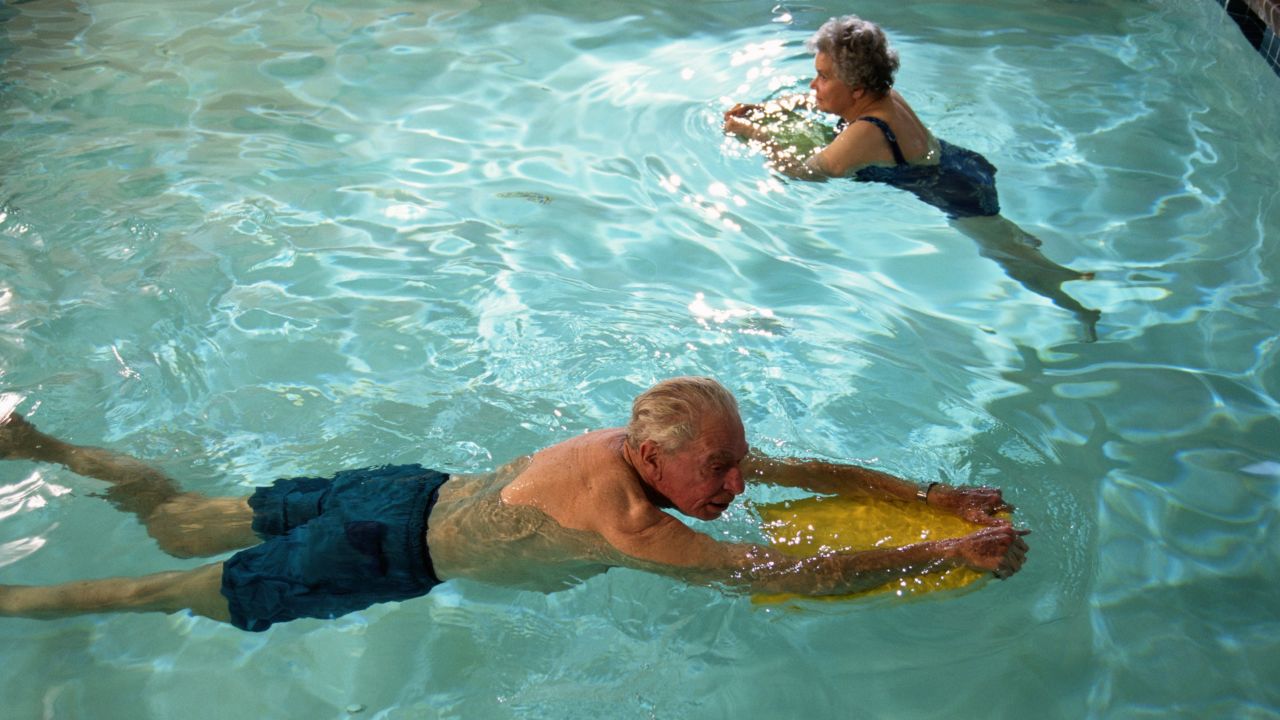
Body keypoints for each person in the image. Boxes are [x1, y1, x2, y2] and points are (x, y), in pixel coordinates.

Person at [0, 377, 1028, 631]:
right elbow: (790, 574)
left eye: (732, 465)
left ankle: (36, 444)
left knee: (186, 516)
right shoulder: (631, 524)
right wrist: (937, 554)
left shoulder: (661, 445)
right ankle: (18, 608)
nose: (732, 485)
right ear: (648, 457)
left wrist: (924, 496)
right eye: (716, 473)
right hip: (382, 551)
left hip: (406, 488)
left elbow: (802, 474)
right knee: (174, 587)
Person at [723, 15, 1102, 342]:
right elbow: (814, 103)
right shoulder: (884, 96)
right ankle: (1028, 248)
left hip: (955, 192)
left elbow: (807, 170)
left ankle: (1074, 305)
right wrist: (767, 111)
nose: (812, 85)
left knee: (1003, 255)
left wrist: (751, 133)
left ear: (856, 89)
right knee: (1000, 234)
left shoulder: (866, 133)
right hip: (964, 166)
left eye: (822, 77)